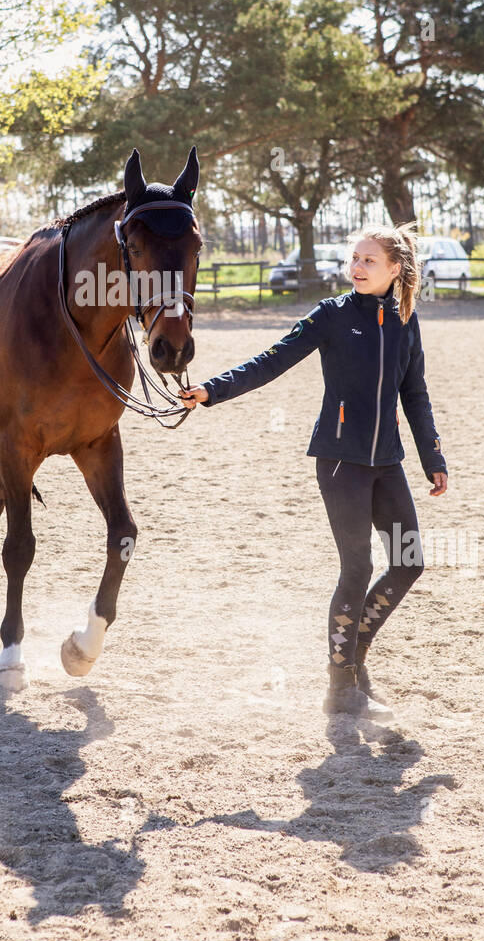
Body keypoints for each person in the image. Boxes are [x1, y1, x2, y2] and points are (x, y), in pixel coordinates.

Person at [177, 222, 448, 719]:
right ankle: (340, 687)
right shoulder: (332, 315)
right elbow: (274, 358)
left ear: (395, 268)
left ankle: (353, 660)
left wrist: (433, 457)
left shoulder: (406, 319)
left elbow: (415, 392)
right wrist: (213, 389)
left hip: (387, 461)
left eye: (370, 260)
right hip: (340, 460)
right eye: (355, 259)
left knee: (409, 562)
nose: (358, 267)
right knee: (358, 567)